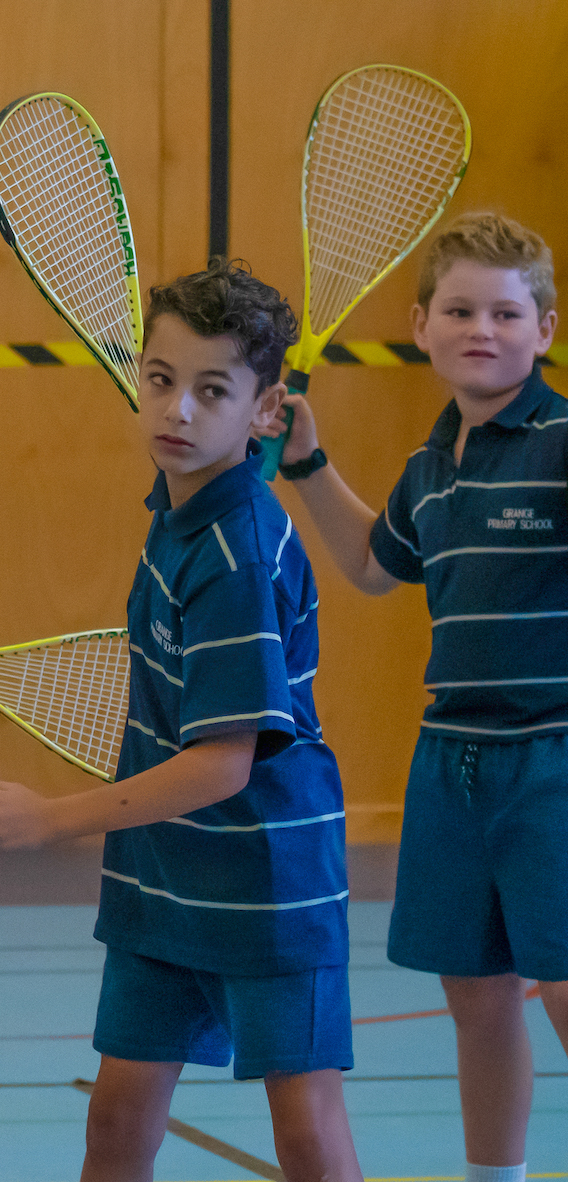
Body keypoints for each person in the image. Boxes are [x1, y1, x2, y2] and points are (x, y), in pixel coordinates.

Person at [0, 260, 362, 1181]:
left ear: (266, 412)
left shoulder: (236, 549)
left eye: (212, 391)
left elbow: (223, 763)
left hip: (267, 879)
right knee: (118, 1121)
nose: (178, 410)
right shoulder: (174, 509)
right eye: (161, 380)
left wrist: (49, 818)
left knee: (304, 1129)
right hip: (165, 876)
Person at [265, 211, 566, 1182]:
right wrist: (302, 463)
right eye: (459, 309)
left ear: (543, 330)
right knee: (475, 997)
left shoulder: (559, 443)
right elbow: (367, 563)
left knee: (560, 989)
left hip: (551, 758)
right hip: (449, 764)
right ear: (419, 324)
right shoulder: (429, 468)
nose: (482, 327)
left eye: (506, 312)